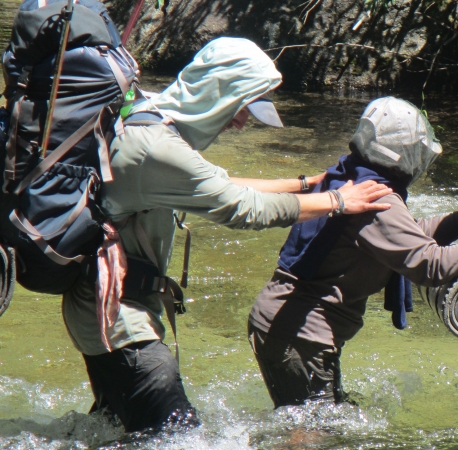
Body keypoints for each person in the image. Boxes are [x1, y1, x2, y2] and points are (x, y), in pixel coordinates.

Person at [61, 37, 394, 432]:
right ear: (217, 92)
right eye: (241, 108)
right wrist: (337, 201)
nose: (242, 122)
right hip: (117, 320)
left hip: (105, 310)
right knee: (180, 434)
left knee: (119, 431)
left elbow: (220, 184)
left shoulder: (149, 114)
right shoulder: (155, 148)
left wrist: (307, 184)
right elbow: (240, 208)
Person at [247, 96, 458, 407]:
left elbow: (408, 235)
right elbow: (430, 266)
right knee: (310, 437)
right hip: (300, 335)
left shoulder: (351, 176)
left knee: (319, 426)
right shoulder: (376, 200)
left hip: (287, 326)